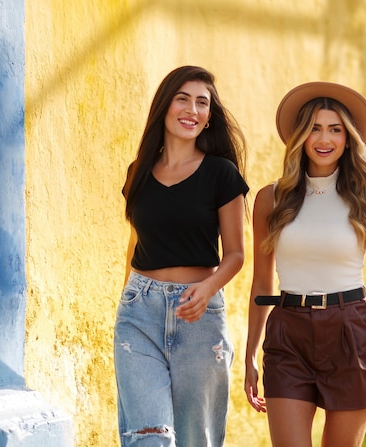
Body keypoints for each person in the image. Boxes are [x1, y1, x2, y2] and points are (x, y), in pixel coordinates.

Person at [244, 82, 366, 447]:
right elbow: (261, 284)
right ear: (299, 137)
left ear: (349, 139)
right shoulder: (271, 199)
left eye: (335, 129)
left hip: (352, 331)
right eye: (314, 128)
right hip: (288, 334)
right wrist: (250, 354)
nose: (324, 138)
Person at [115, 65, 249, 447]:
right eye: (183, 99)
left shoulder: (221, 174)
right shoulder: (137, 172)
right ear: (165, 106)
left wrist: (207, 289)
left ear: (209, 118)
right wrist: (127, 299)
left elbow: (236, 254)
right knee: (147, 437)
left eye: (202, 103)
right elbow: (135, 242)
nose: (192, 109)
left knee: (197, 438)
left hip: (199, 313)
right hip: (139, 312)